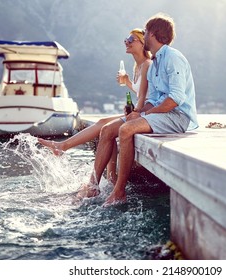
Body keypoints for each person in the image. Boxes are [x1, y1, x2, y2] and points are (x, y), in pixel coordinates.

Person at [78, 13, 198, 206]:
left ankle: (119, 191)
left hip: (177, 116)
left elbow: (175, 99)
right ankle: (93, 185)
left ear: (153, 34)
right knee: (107, 130)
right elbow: (153, 99)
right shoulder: (156, 62)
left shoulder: (173, 58)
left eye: (146, 31)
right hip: (162, 113)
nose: (144, 35)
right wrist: (139, 112)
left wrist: (144, 114)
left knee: (126, 129)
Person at [38, 28, 151, 183]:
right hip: (139, 111)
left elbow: (145, 97)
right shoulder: (137, 67)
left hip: (145, 114)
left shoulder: (147, 64)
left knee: (106, 127)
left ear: (142, 43)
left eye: (131, 39)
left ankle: (63, 147)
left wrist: (135, 112)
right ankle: (110, 177)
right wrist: (127, 82)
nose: (126, 42)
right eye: (126, 39)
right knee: (103, 123)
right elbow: (141, 92)